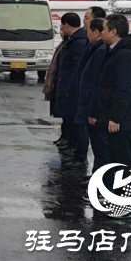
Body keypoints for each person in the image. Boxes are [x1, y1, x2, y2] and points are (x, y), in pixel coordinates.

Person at [98, 14, 131, 219]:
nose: (102, 33)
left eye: (105, 29)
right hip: (119, 118)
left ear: (114, 32)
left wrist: (116, 117)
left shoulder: (125, 55)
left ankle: (128, 206)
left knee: (124, 162)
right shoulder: (117, 51)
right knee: (118, 160)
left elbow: (124, 89)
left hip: (123, 121)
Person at [74, 19, 109, 182]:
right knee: (97, 146)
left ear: (95, 32)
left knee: (101, 147)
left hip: (94, 107)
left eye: (87, 30)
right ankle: (97, 176)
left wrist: (92, 110)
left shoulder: (100, 50)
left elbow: (96, 82)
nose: (85, 33)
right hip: (89, 103)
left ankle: (101, 182)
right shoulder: (94, 48)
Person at [52, 13, 88, 166]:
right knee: (70, 119)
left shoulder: (79, 43)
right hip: (68, 88)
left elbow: (77, 68)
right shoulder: (72, 41)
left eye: (61, 26)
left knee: (77, 123)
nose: (61, 29)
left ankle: (78, 153)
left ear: (66, 25)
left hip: (73, 90)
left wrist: (69, 88)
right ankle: (71, 146)